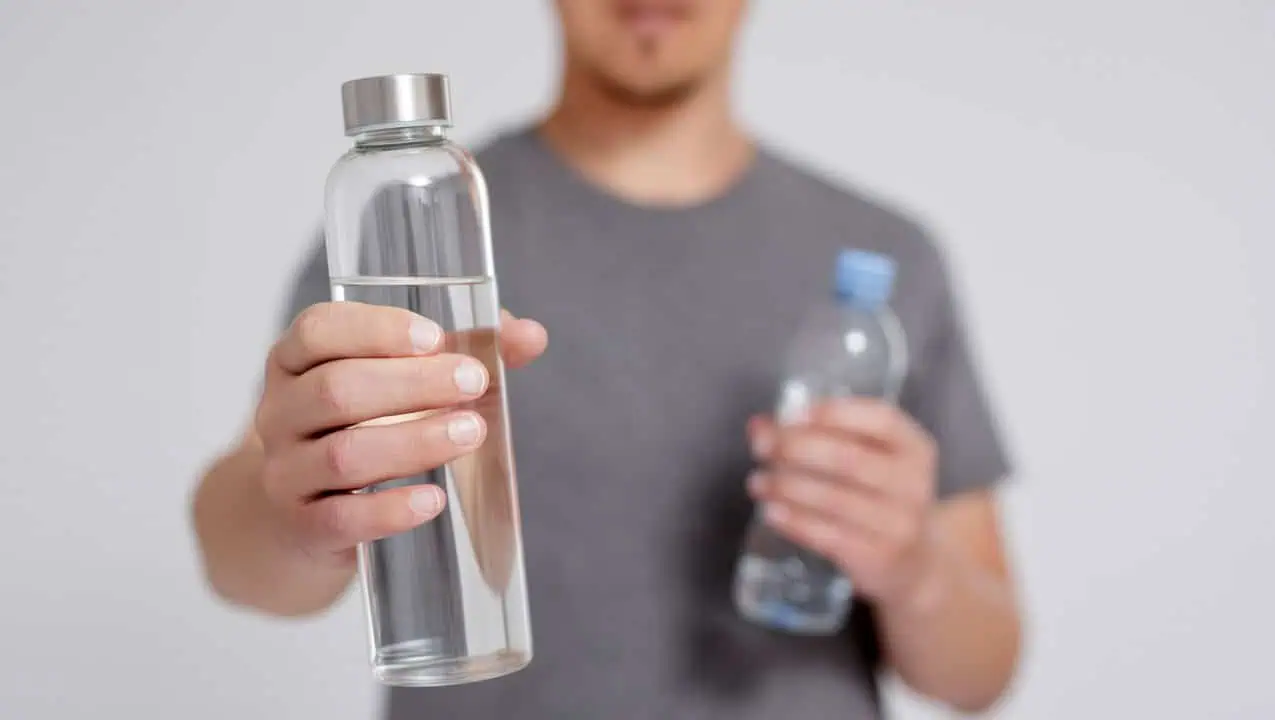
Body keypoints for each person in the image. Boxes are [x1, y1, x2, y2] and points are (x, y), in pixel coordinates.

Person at [190, 1, 1023, 717]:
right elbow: (241, 561)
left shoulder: (886, 257)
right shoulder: (412, 233)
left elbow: (983, 671)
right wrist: (296, 512)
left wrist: (913, 570)